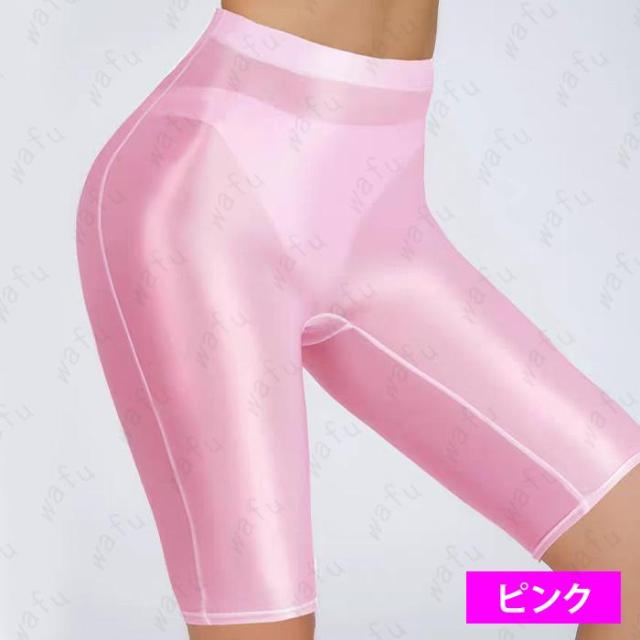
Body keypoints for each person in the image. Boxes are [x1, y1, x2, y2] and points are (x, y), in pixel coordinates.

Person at [74, 1, 640, 639]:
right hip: (209, 198)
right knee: (267, 632)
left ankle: (446, 605)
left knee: (623, 577)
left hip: (386, 221)